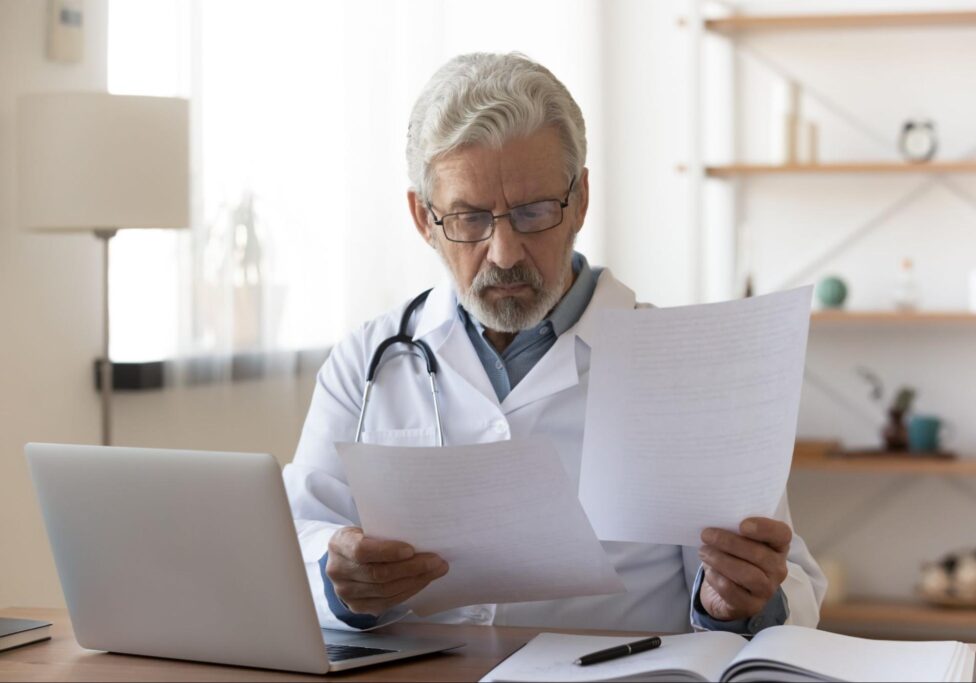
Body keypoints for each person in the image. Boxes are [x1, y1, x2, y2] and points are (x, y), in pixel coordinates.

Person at [283, 52, 826, 634]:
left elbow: (781, 583)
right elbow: (295, 544)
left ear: (581, 200)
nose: (505, 252)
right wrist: (340, 581)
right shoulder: (368, 360)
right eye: (469, 219)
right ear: (423, 218)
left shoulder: (685, 367)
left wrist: (739, 603)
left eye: (534, 212)